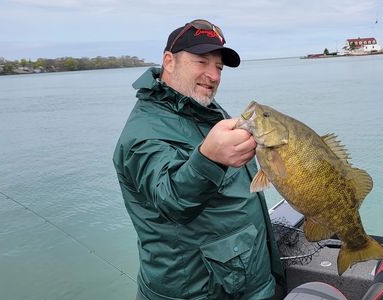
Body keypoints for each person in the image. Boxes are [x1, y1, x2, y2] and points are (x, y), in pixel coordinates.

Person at [113, 19, 284, 300]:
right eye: (201, 62)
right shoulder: (142, 134)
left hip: (245, 279)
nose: (214, 75)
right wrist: (209, 159)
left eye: (218, 67)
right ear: (169, 61)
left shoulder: (202, 107)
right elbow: (171, 199)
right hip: (200, 290)